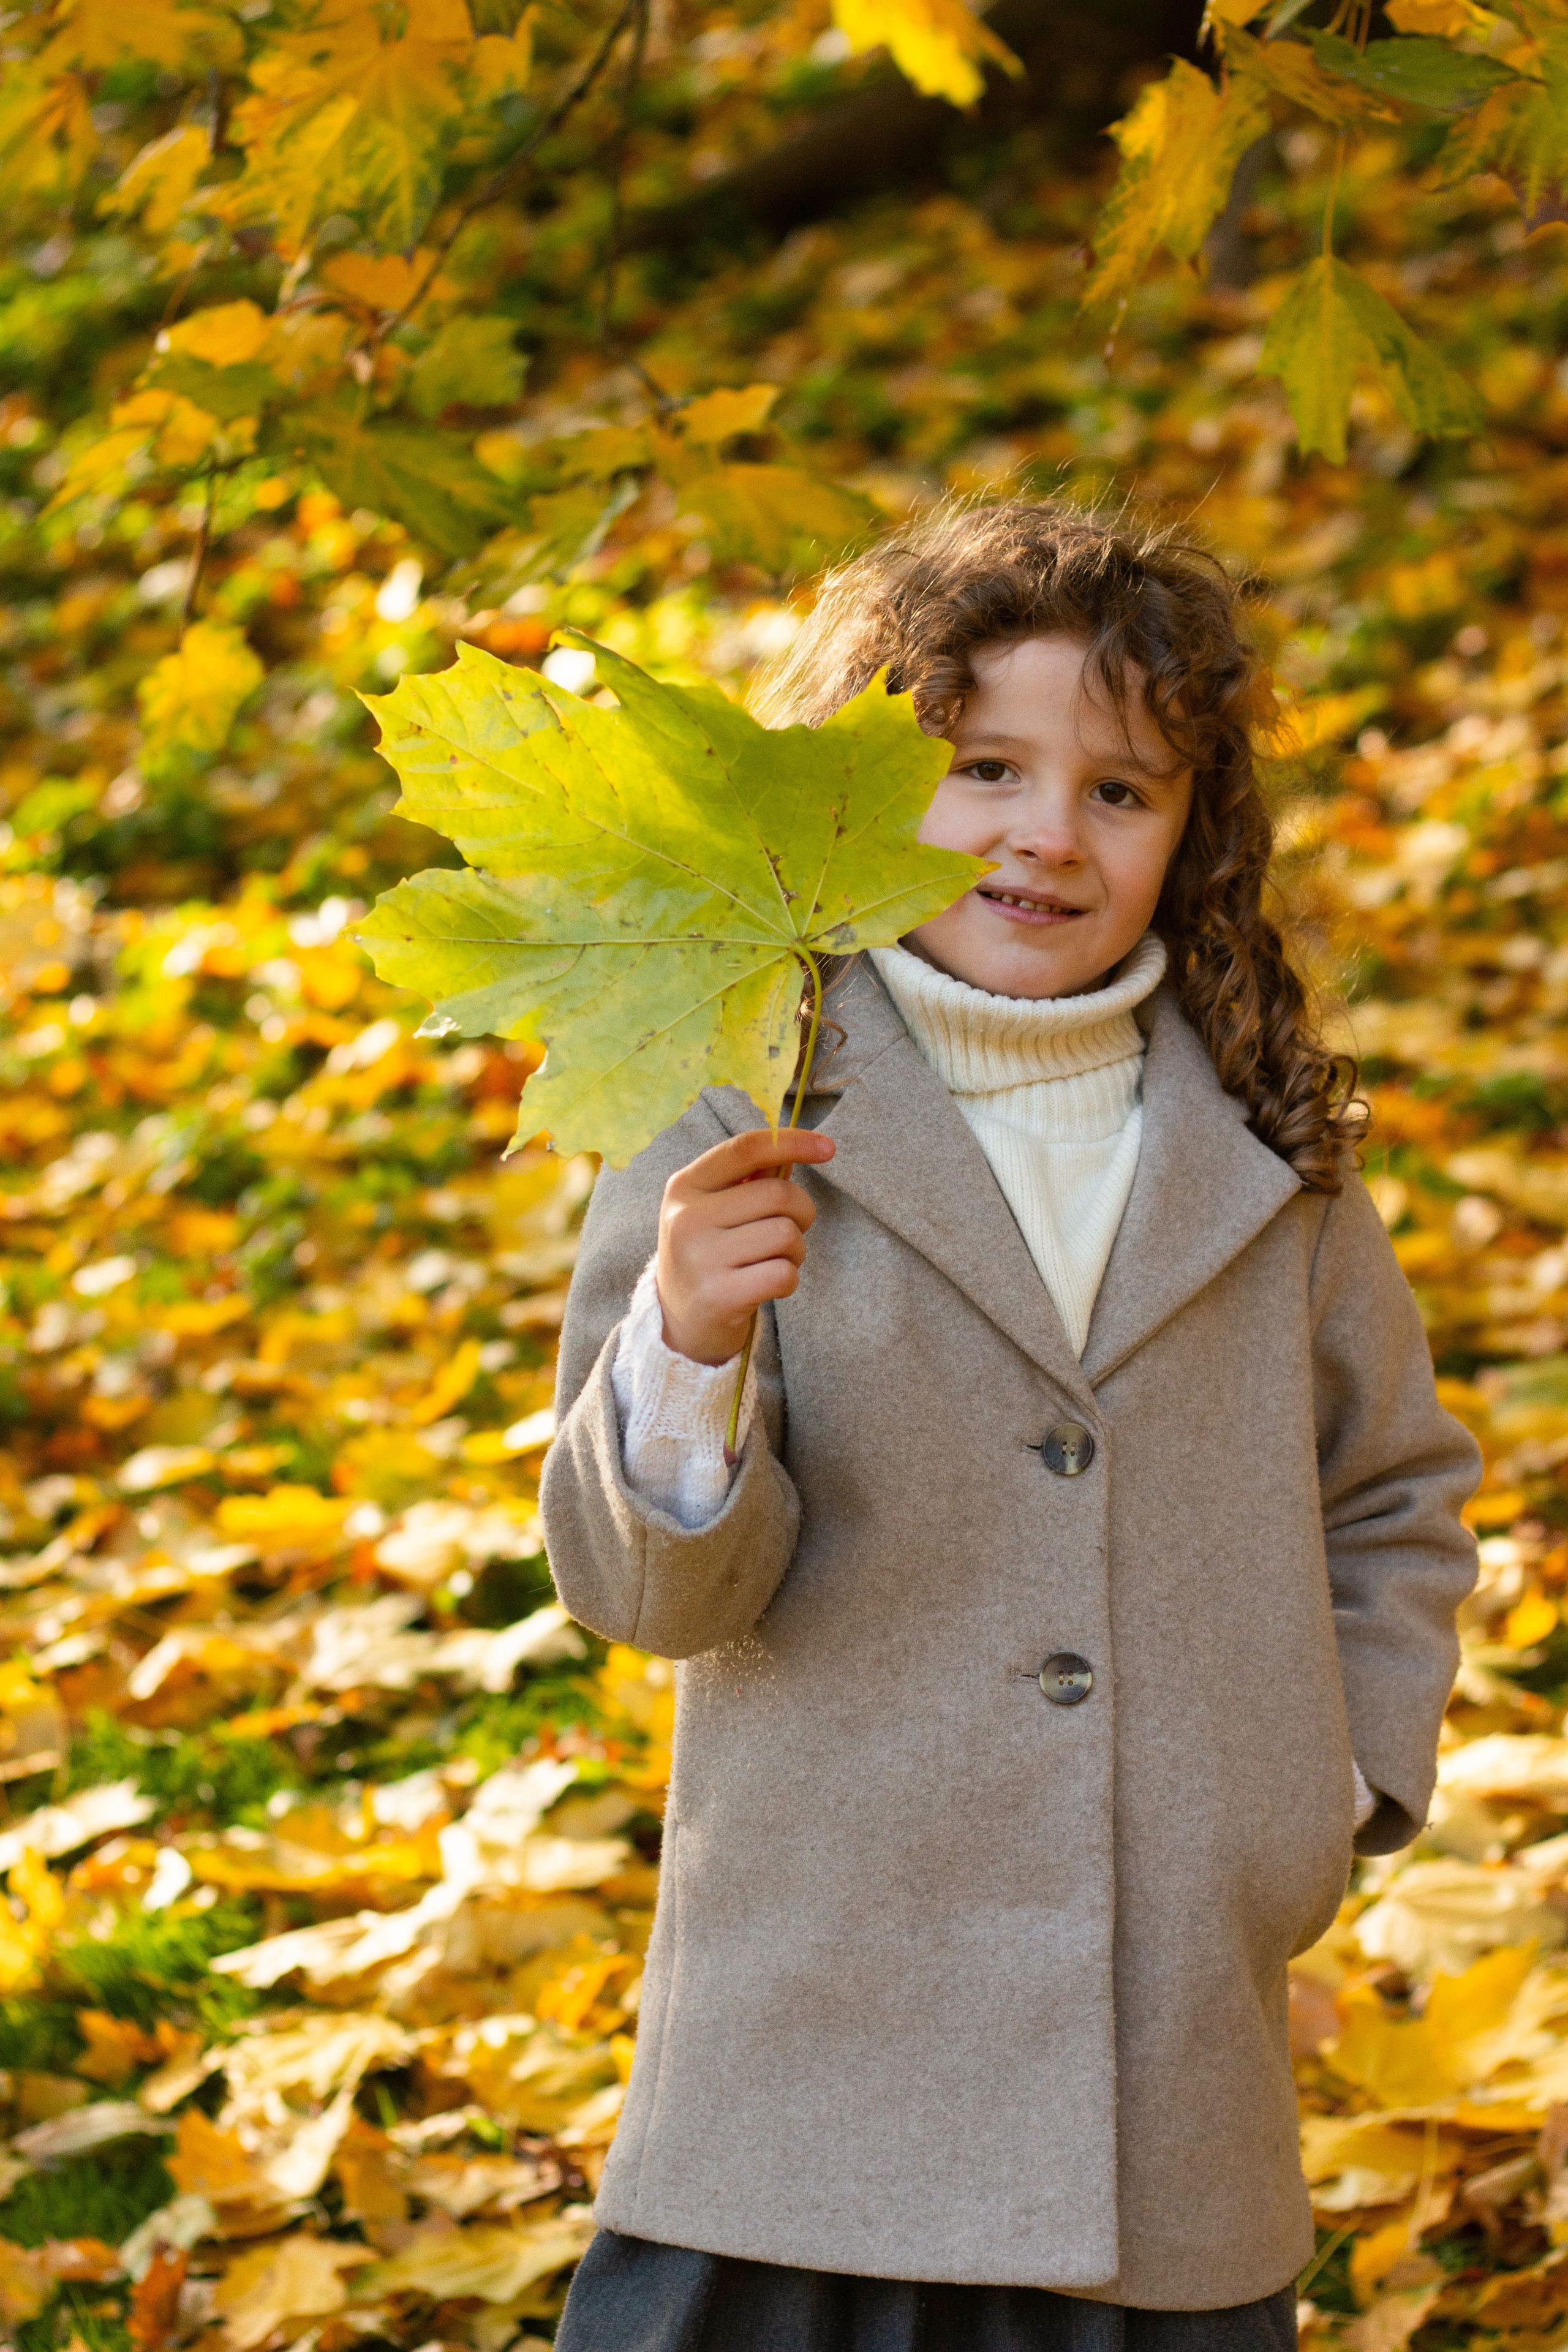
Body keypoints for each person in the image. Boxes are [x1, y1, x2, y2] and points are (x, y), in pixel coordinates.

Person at [540, 499, 1480, 2352]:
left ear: (1192, 834)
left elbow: (1393, 1491)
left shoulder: (1272, 1157)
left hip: (1165, 2074)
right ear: (862, 790)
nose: (1050, 832)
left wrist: (1324, 1788)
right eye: (986, 768)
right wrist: (692, 1333)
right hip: (815, 2053)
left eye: (1121, 791)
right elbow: (651, 1595)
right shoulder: (733, 1107)